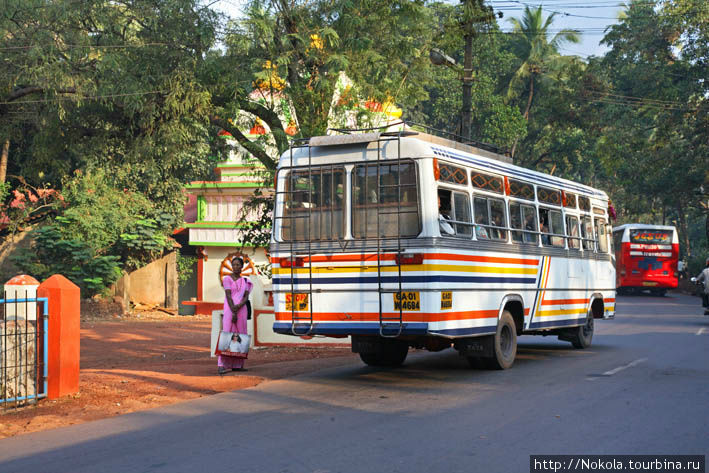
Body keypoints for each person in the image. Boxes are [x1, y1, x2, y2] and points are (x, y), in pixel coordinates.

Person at [218, 256, 253, 374]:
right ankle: (221, 364)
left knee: (241, 334)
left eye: (238, 265)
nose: (236, 267)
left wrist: (238, 307)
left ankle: (238, 364)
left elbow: (246, 297)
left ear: (242, 267)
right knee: (227, 333)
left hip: (242, 309)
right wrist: (233, 310)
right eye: (234, 265)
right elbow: (228, 295)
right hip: (229, 308)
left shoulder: (246, 281)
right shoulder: (227, 279)